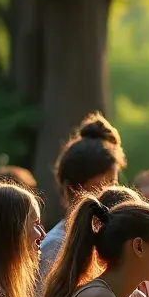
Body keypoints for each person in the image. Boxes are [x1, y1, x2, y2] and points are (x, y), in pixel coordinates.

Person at [37, 113, 126, 284]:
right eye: (100, 186)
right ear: (72, 190)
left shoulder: (115, 242)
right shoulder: (56, 248)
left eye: (113, 183)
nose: (109, 193)